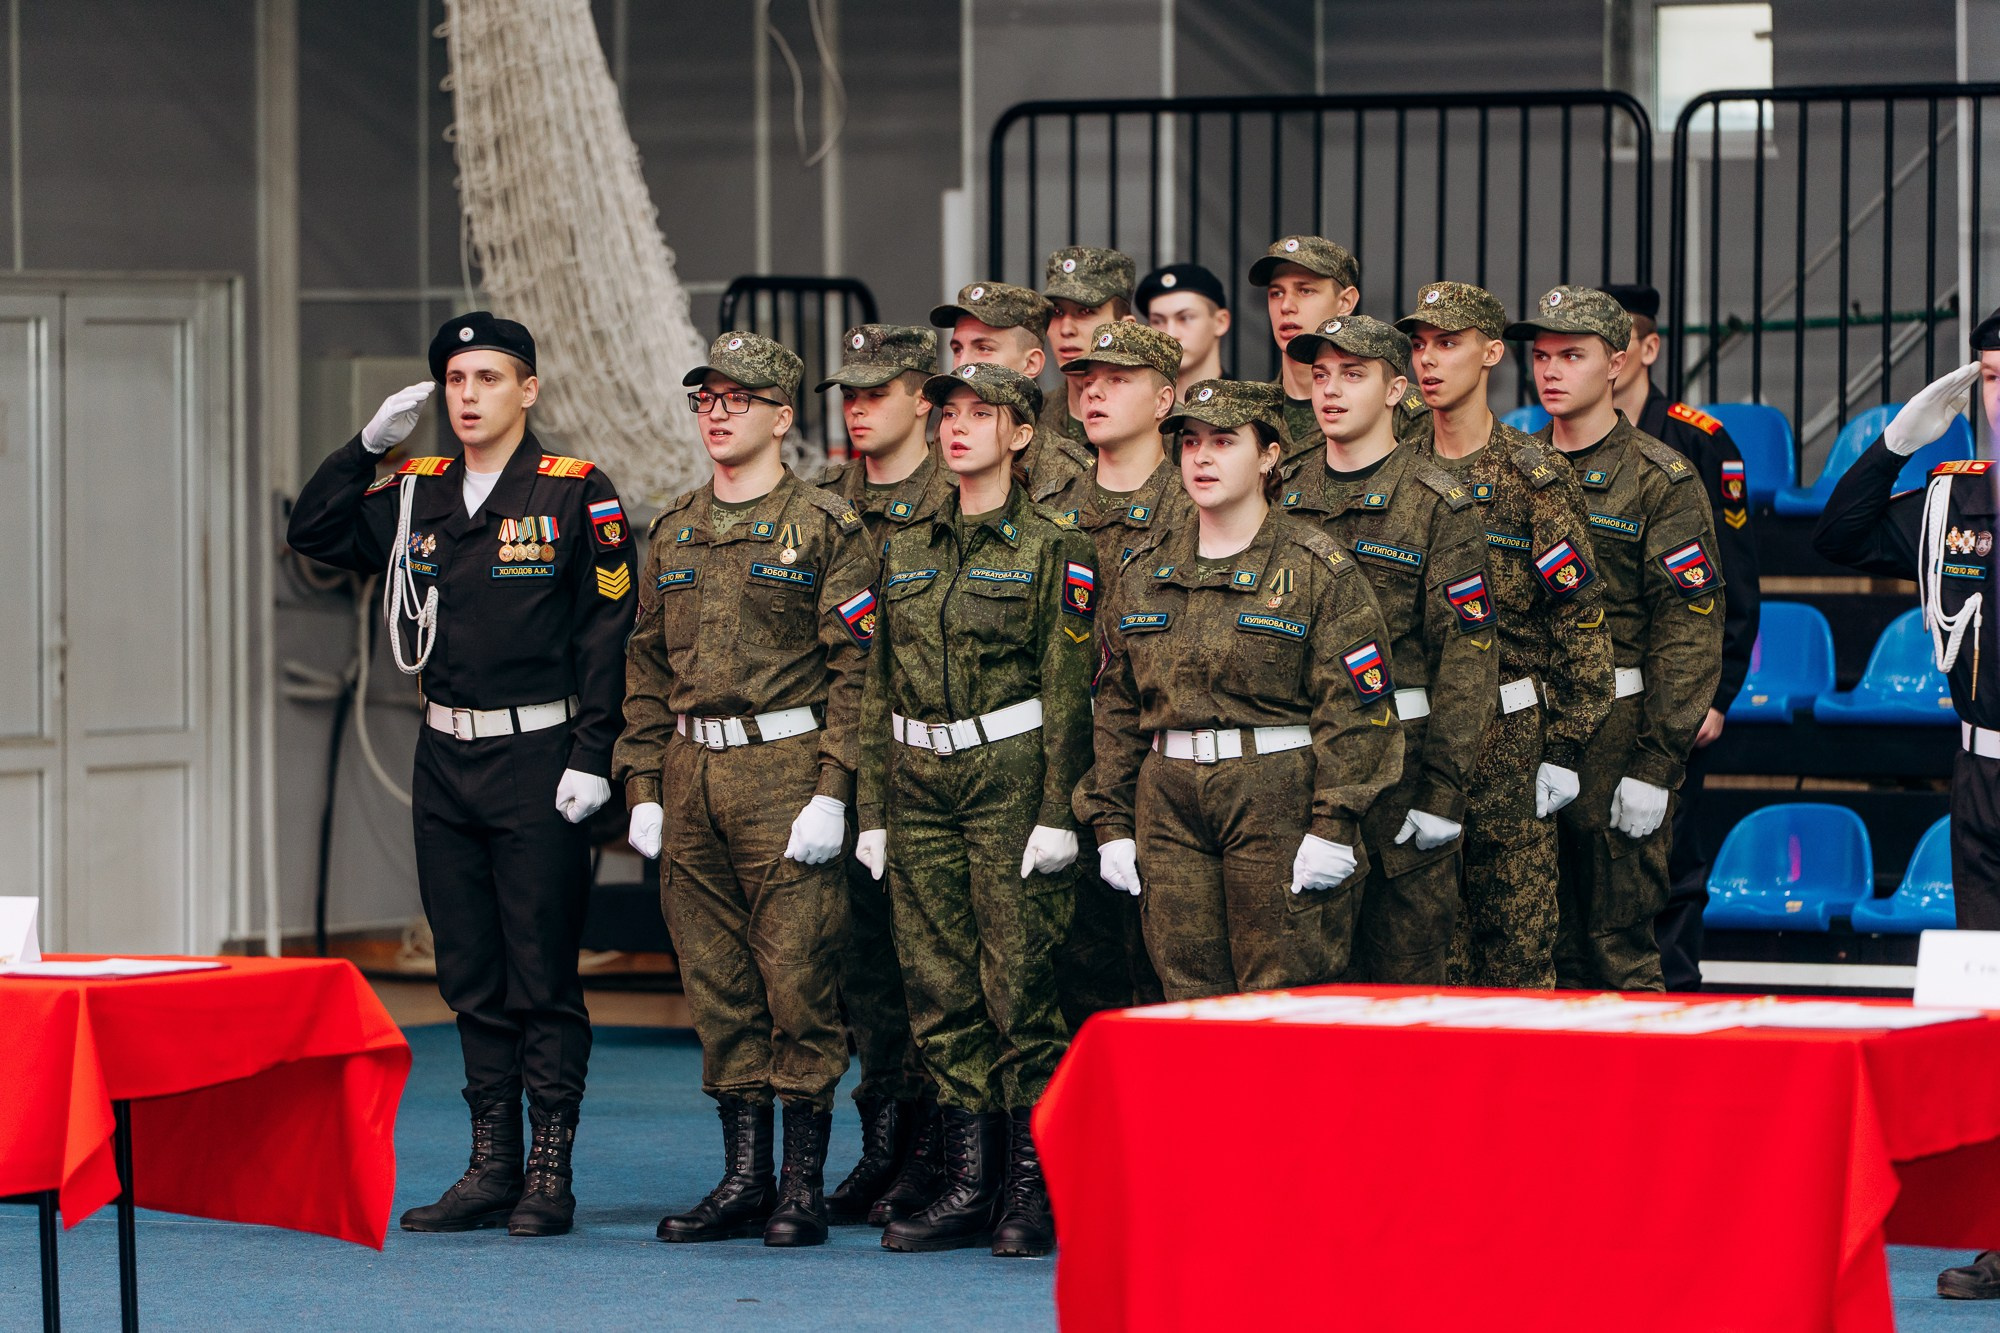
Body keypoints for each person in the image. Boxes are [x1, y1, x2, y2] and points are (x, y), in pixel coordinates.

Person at [288, 311, 635, 1237]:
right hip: (446, 757)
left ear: (527, 389)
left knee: (541, 974)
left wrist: (594, 753)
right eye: (456, 380)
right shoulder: (415, 493)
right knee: (469, 970)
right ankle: (492, 1162)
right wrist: (364, 448)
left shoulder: (574, 494)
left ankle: (550, 1168)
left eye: (489, 377)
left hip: (540, 759)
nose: (469, 396)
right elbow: (314, 530)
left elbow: (609, 633)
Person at [616, 331, 878, 1249]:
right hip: (692, 772)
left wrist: (834, 789)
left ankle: (800, 1183)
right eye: (706, 398)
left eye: (738, 398)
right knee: (716, 985)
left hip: (785, 770)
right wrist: (641, 780)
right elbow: (645, 667)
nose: (718, 412)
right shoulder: (675, 526)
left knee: (798, 983)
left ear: (781, 416)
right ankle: (743, 1176)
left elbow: (857, 671)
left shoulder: (827, 527)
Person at [853, 361, 1095, 1258]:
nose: (958, 427)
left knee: (1020, 988)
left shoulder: (1053, 544)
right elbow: (876, 683)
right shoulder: (905, 542)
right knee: (939, 986)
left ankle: (1030, 1188)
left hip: (1009, 775)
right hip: (919, 778)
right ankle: (966, 1179)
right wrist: (873, 807)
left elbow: (1071, 691)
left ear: (1022, 433)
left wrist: (1059, 811)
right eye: (949, 412)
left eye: (981, 414)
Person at [1075, 378, 1404, 997]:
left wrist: (1335, 824)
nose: (1201, 457)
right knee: (1188, 998)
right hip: (1168, 803)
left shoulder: (1316, 568)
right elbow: (1117, 705)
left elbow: (1357, 709)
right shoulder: (1143, 570)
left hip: (1276, 797)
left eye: (1223, 441)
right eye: (1191, 442)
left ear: (1270, 455)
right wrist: (1111, 821)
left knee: (1281, 1000)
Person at [1812, 322, 2000, 1303]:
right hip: (1978, 777)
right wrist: (1897, 442)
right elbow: (1834, 536)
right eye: (1991, 381)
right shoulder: (1948, 497)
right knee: (1994, 1012)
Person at [1510, 286, 1724, 993]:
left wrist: (1656, 762)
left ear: (1618, 361)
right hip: (1520, 725)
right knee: (1528, 949)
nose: (1551, 371)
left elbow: (1688, 629)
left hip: (1617, 728)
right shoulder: (1509, 466)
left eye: (1572, 354)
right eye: (1541, 356)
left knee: (1617, 949)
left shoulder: (1659, 477)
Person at [1401, 282, 1614, 989]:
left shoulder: (1533, 474)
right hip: (1417, 728)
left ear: (1492, 353)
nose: (1429, 361)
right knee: (1427, 951)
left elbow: (1578, 613)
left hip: (1507, 733)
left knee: (1516, 953)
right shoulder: (1398, 465)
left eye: (1449, 343)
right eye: (1421, 345)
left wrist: (1565, 744)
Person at [1279, 315, 1498, 982]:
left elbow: (1467, 657)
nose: (1331, 391)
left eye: (1353, 374)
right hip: (1295, 769)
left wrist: (1444, 791)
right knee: (1305, 988)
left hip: (1401, 770)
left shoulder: (1436, 502)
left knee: (1408, 985)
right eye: (1320, 375)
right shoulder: (1279, 489)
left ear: (1397, 389)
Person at [810, 324, 953, 1227]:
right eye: (849, 395)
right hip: (850, 765)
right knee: (862, 965)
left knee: (937, 967)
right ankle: (883, 1145)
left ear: (922, 400)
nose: (859, 409)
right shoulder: (824, 505)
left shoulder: (963, 497)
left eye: (878, 392)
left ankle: (941, 1151)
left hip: (942, 766)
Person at [1605, 283, 1763, 992]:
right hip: (1589, 695)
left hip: (1673, 694)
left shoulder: (1697, 438)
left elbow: (1733, 582)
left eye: (1615, 346)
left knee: (1669, 864)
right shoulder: (1552, 442)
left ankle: (1673, 999)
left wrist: (1718, 692)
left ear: (1646, 348)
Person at [1044, 320, 1194, 1023]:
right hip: (1054, 772)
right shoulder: (1047, 515)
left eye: (1119, 380)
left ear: (1165, 399)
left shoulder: (1198, 511)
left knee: (1165, 983)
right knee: (1071, 983)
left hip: (1160, 781)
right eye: (1086, 380)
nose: (1095, 392)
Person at [932, 280, 1092, 501]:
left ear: (1031, 364)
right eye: (957, 349)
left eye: (984, 348)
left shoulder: (1071, 473)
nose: (964, 363)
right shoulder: (936, 455)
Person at [1040, 246, 1138, 447]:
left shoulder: (1170, 430)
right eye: (1057, 312)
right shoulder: (1030, 421)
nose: (1066, 329)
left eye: (1085, 311)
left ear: (1125, 328)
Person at [1138, 262, 1231, 397]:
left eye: (1185, 318)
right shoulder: (1139, 409)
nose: (1170, 334)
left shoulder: (1247, 409)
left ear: (1220, 322)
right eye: (1158, 321)